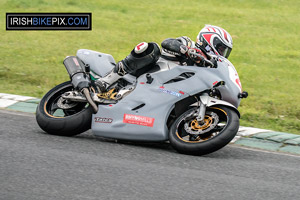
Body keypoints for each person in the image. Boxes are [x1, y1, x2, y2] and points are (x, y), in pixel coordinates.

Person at [96, 24, 233, 92]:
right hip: (147, 73)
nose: (222, 53)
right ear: (209, 40)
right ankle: (108, 80)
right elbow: (167, 42)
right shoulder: (188, 43)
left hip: (164, 90)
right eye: (221, 48)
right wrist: (186, 50)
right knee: (150, 48)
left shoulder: (207, 66)